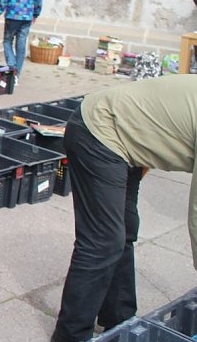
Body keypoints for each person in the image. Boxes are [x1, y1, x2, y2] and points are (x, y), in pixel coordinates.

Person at [51, 75, 197, 342]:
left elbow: (162, 124)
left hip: (128, 140)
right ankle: (70, 336)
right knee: (104, 240)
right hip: (98, 130)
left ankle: (120, 320)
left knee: (125, 228)